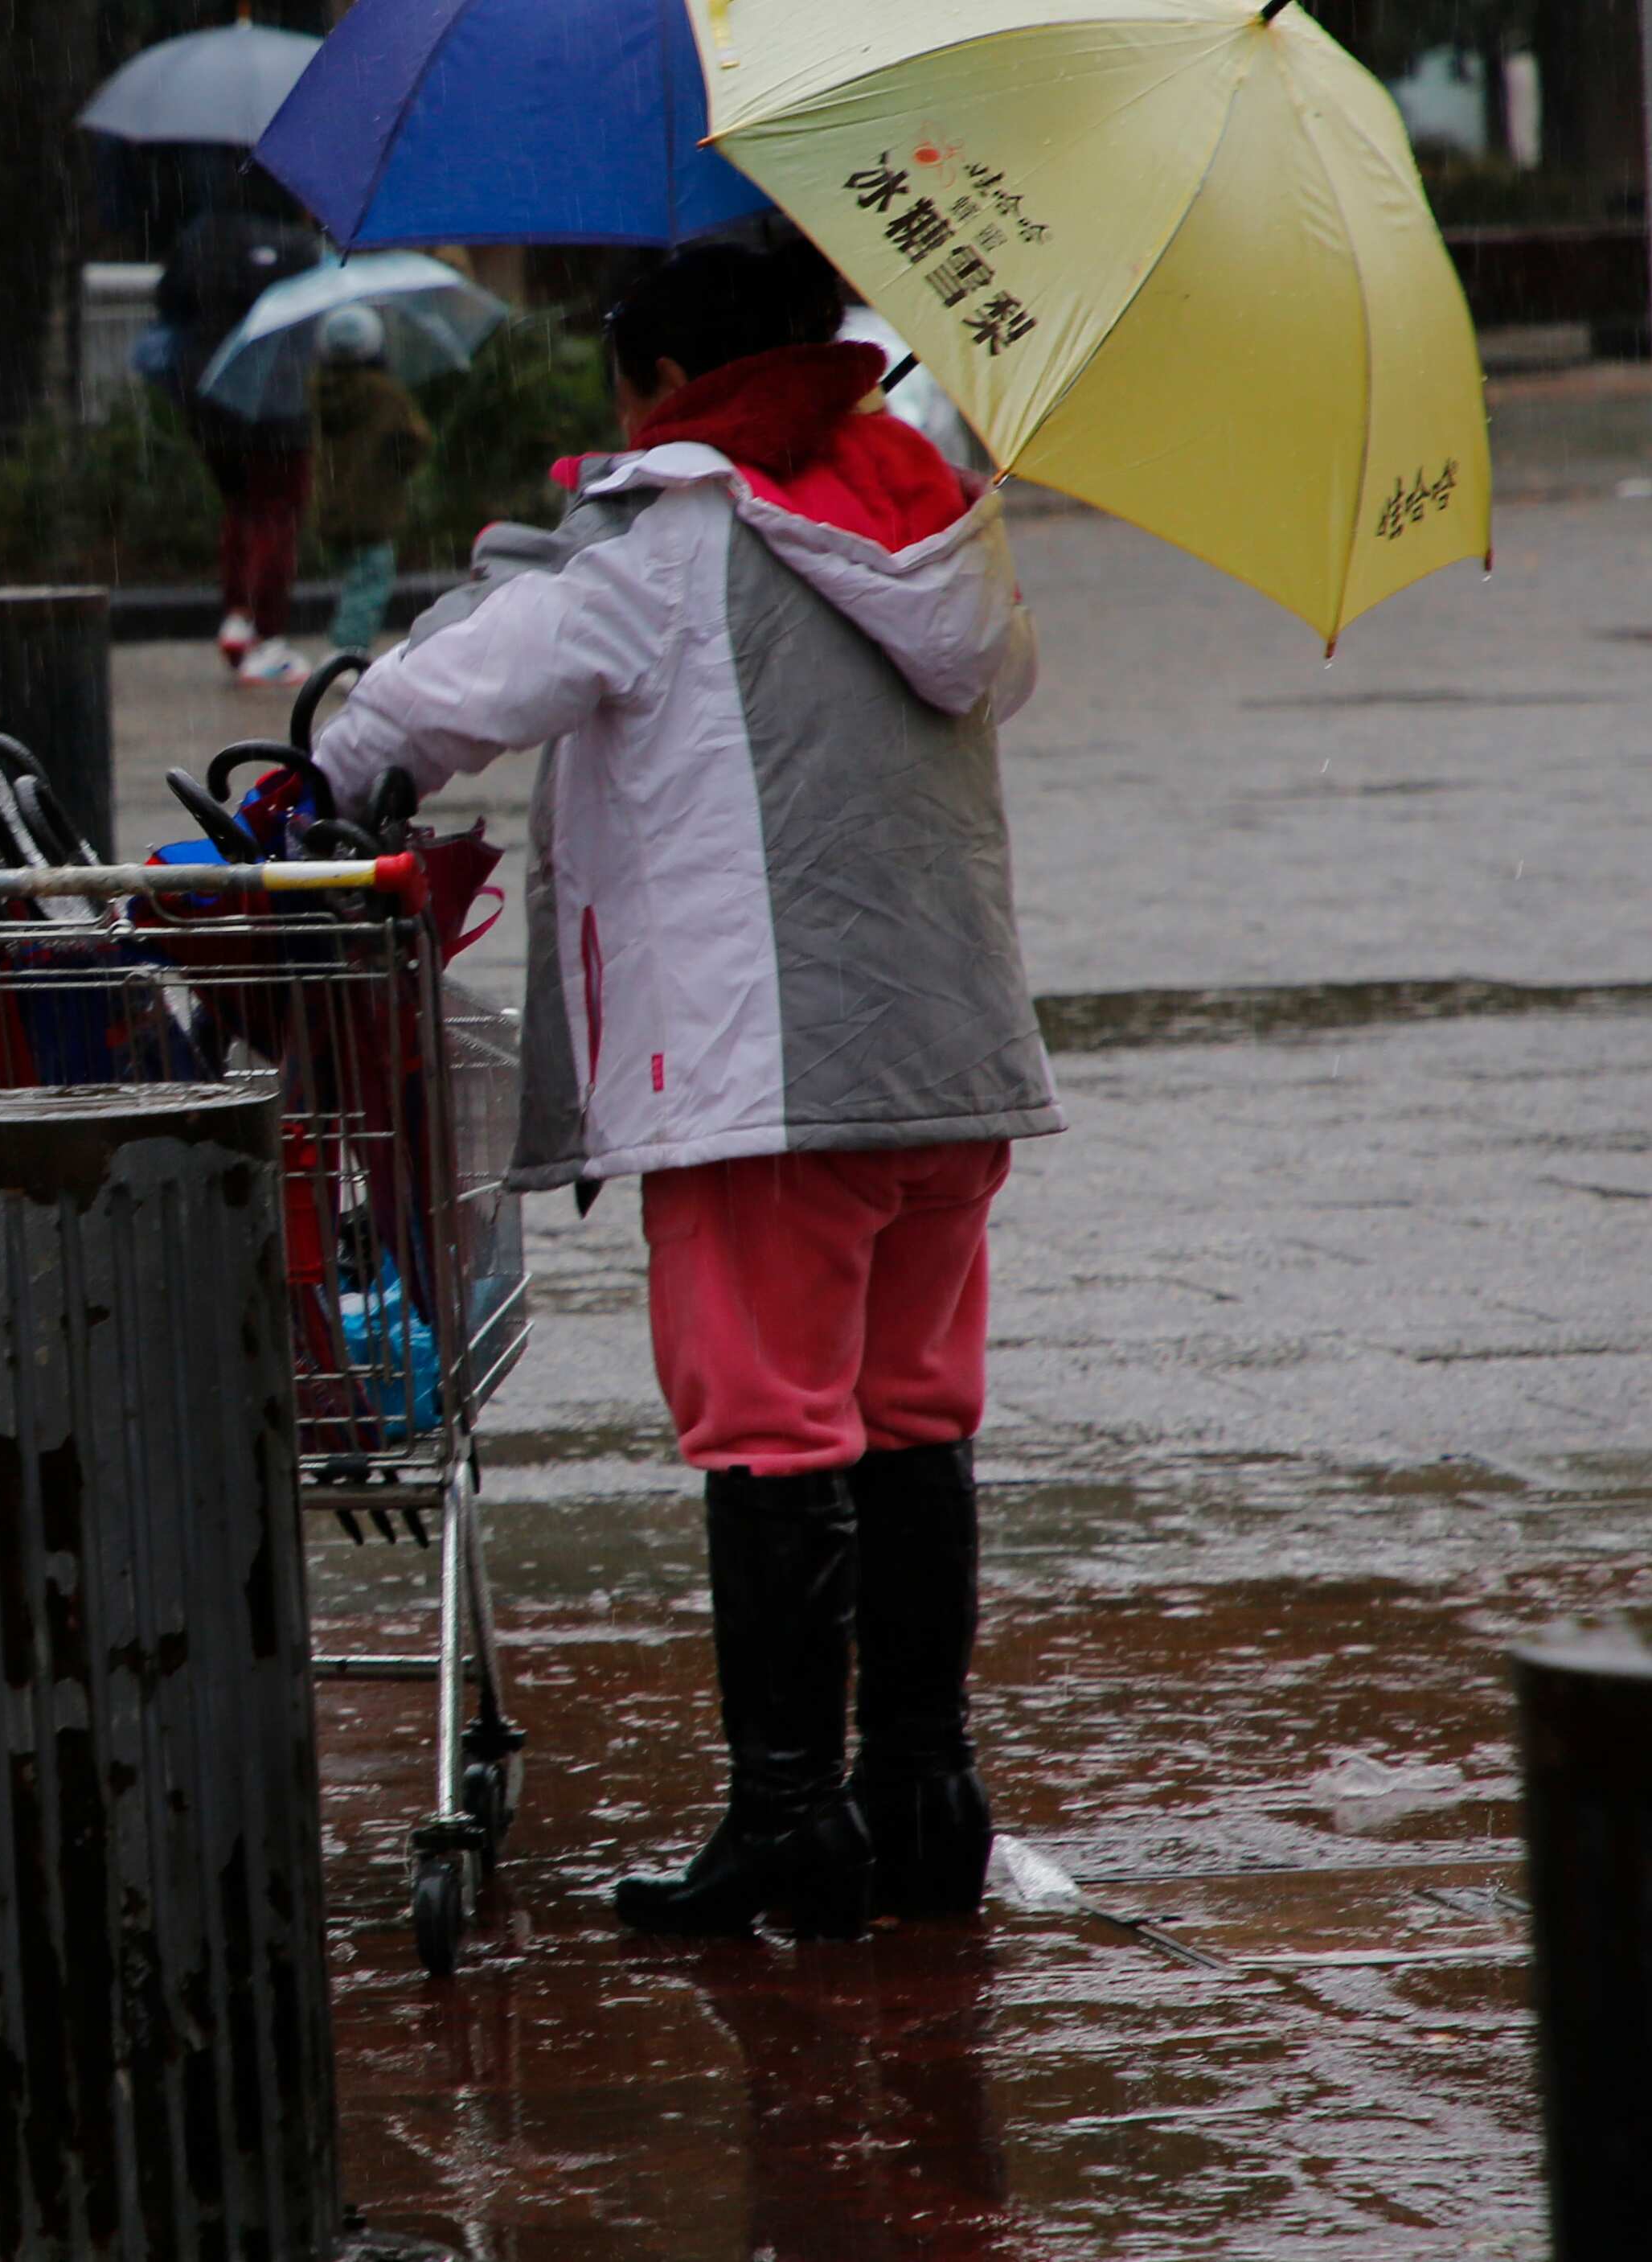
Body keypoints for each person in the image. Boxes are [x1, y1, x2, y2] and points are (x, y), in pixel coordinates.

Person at [307, 241, 1053, 1939]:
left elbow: (433, 701)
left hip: (762, 1079)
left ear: (663, 386)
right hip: (945, 1061)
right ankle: (921, 1791)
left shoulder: (662, 549)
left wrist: (334, 767)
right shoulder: (935, 520)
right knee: (913, 1411)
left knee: (772, 1422)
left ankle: (790, 1821)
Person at [156, 173, 324, 684]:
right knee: (278, 512)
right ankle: (266, 633)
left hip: (209, 392)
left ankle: (236, 614)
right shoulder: (302, 246)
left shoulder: (204, 234)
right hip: (278, 400)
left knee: (240, 506)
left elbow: (169, 303)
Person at [305, 305, 429, 666]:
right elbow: (414, 444)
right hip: (372, 506)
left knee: (355, 577)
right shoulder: (385, 395)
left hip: (333, 503)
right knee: (371, 579)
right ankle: (347, 653)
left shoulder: (320, 390)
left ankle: (345, 648)